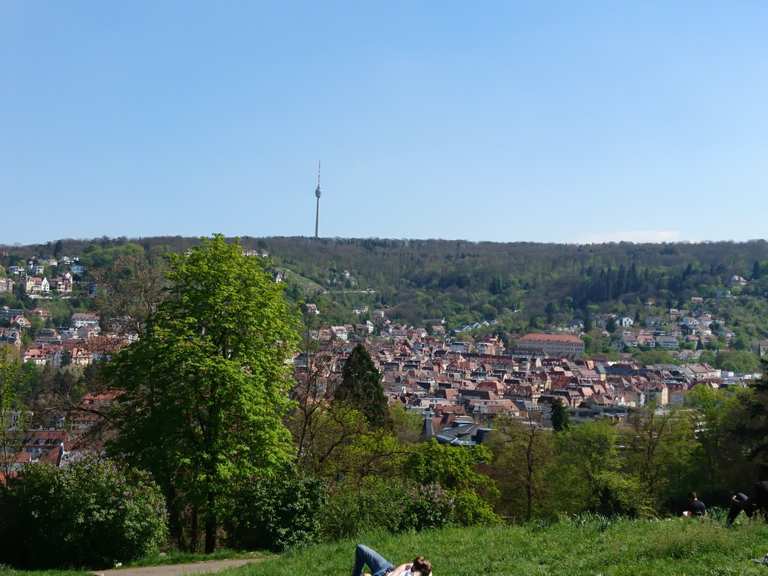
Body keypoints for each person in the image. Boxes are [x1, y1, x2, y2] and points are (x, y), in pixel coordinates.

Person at [352, 544, 432, 576]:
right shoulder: (425, 569)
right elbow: (405, 565)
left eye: (413, 568)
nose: (411, 568)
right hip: (387, 568)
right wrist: (394, 573)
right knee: (361, 548)